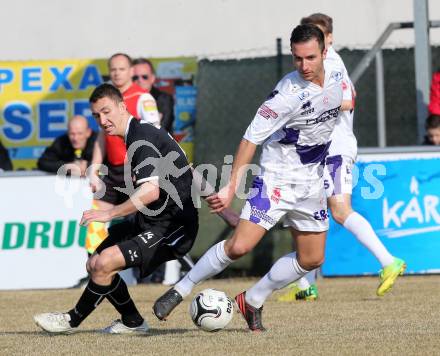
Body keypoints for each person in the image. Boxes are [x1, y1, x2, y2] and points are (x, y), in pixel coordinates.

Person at [152, 24, 343, 332]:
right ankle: (181, 289)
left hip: (312, 180)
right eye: (297, 59)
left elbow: (341, 99)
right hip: (276, 180)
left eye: (309, 58)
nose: (303, 66)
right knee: (239, 246)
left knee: (312, 259)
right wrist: (230, 188)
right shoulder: (285, 95)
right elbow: (249, 140)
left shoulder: (337, 69)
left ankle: (252, 299)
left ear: (324, 53)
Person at [33, 83, 198, 334]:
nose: (103, 120)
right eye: (97, 115)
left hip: (173, 226)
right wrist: (221, 204)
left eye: (107, 111)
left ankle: (70, 320)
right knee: (94, 262)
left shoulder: (141, 138)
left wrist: (109, 213)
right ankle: (132, 322)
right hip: (151, 220)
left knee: (105, 262)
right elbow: (186, 167)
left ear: (122, 107)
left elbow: (151, 191)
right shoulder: (138, 132)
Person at [277, 13, 406, 302]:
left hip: (334, 147)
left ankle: (388, 261)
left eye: (320, 36)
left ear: (328, 40)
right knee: (309, 212)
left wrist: (307, 106)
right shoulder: (314, 66)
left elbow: (348, 101)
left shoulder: (331, 63)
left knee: (339, 209)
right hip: (317, 149)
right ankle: (305, 286)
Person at [85, 53, 161, 259]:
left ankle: (146, 273)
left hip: (137, 171)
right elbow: (102, 136)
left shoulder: (143, 98)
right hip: (112, 171)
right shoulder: (105, 98)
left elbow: (154, 135)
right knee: (95, 218)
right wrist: (94, 168)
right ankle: (94, 266)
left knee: (141, 223)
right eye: (113, 70)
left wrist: (143, 165)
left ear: (131, 71)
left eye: (121, 69)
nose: (117, 73)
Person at [133, 58, 175, 134]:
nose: (140, 80)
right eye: (135, 77)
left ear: (152, 78)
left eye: (144, 77)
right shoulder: (123, 99)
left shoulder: (164, 99)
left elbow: (161, 129)